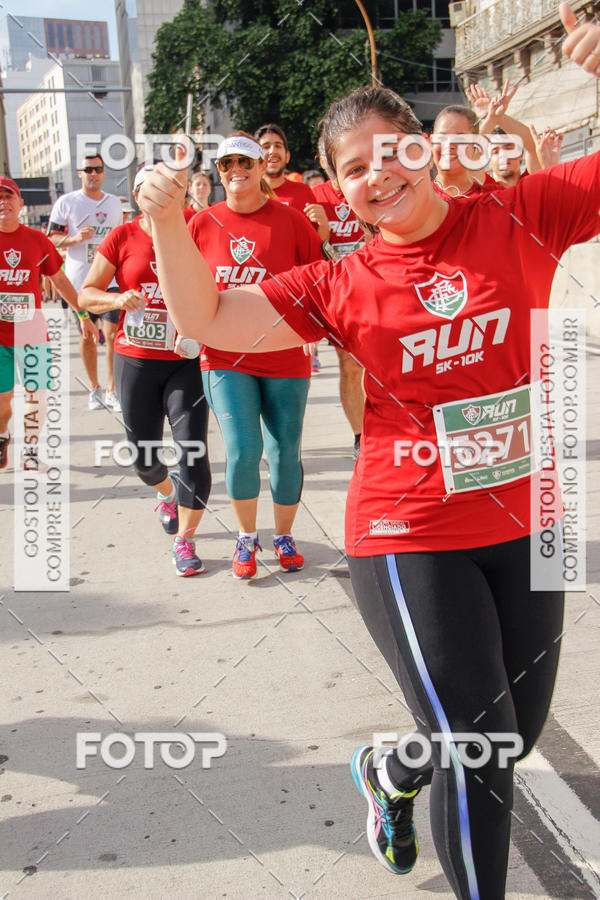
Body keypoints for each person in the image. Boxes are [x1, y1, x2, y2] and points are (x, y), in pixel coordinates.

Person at [138, 5, 599, 894]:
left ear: (423, 147)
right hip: (409, 528)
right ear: (335, 188)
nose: (376, 175)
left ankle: (388, 776)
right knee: (477, 744)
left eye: (390, 152)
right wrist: (165, 223)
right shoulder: (338, 281)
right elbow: (203, 321)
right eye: (353, 170)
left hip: (525, 516)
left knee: (515, 732)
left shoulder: (522, 214)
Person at [187, 132, 324, 579]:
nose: (236, 171)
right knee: (244, 451)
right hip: (224, 356)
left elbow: (320, 277)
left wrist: (315, 328)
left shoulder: (290, 220)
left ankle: (284, 536)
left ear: (262, 167)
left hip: (284, 352)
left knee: (284, 452)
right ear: (219, 172)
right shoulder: (202, 223)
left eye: (245, 163)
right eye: (227, 164)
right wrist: (182, 326)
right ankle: (246, 537)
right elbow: (180, 281)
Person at [79, 165, 211, 576]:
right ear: (138, 196)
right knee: (144, 460)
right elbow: (87, 293)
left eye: (166, 189)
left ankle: (184, 542)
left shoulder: (195, 226)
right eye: (147, 190)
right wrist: (118, 301)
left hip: (185, 361)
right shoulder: (122, 236)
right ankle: (165, 492)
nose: (156, 196)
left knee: (192, 452)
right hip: (135, 360)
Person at [0, 177, 89, 468]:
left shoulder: (37, 240)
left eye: (9, 197)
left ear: (20, 204)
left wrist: (82, 313)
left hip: (31, 332)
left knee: (36, 394)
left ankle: (30, 452)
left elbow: (59, 279)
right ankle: (2, 436)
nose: (4, 202)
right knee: (3, 400)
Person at [48, 152, 122, 411]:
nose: (93, 174)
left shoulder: (114, 203)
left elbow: (121, 240)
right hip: (80, 281)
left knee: (113, 334)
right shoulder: (66, 202)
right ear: (79, 173)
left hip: (110, 278)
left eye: (98, 169)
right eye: (88, 170)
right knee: (88, 335)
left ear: (104, 173)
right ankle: (94, 387)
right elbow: (51, 240)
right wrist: (74, 239)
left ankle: (113, 389)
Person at [311, 160, 368, 456]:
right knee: (350, 365)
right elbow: (314, 254)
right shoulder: (315, 196)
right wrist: (322, 231)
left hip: (376, 289)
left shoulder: (366, 183)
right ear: (323, 158)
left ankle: (388, 429)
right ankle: (361, 438)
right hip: (340, 295)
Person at [254, 123, 330, 241]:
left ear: (287, 156)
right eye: (266, 146)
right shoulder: (248, 195)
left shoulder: (303, 192)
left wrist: (324, 225)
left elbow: (319, 245)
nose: (273, 151)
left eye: (278, 146)